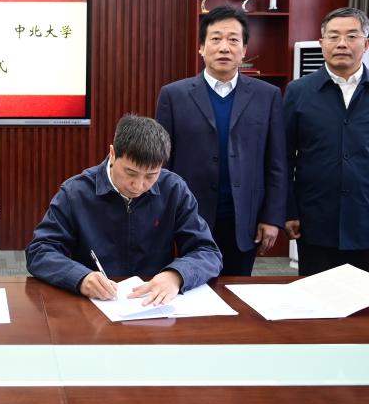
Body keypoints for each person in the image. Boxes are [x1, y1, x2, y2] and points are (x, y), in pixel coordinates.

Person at [26, 114, 222, 305]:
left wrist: (176, 275)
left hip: (155, 305)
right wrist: (81, 277)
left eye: (151, 175)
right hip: (95, 305)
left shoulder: (173, 190)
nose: (138, 185)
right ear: (112, 154)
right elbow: (40, 251)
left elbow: (207, 251)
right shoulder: (75, 193)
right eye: (130, 172)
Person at [155, 5, 287, 276]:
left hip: (245, 218)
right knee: (190, 286)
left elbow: (276, 162)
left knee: (238, 289)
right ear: (201, 48)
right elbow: (161, 163)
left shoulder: (268, 95)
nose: (224, 47)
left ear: (244, 49)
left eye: (233, 40)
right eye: (215, 39)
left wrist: (272, 217)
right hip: (189, 215)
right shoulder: (173, 95)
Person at [283, 7, 369, 275]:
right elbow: (283, 159)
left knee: (365, 297)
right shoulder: (298, 92)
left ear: (366, 44)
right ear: (322, 43)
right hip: (314, 219)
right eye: (333, 36)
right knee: (313, 295)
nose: (341, 43)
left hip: (368, 218)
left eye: (352, 36)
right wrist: (288, 210)